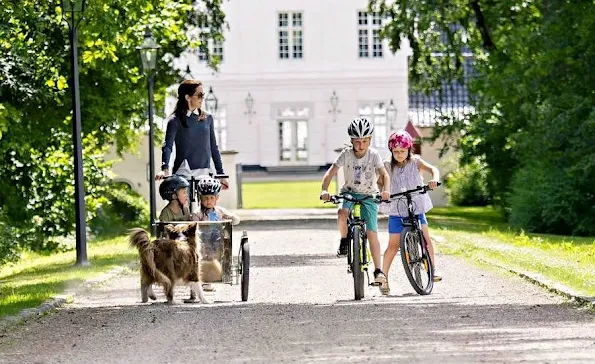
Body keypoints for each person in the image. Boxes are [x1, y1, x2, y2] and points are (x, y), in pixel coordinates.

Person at [320, 117, 391, 287]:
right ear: (351, 141)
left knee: (372, 233)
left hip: (369, 195)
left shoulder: (373, 155)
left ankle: (378, 271)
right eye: (357, 141)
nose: (361, 145)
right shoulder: (346, 154)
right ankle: (344, 240)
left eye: (365, 141)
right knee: (342, 213)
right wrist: (324, 189)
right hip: (349, 193)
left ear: (370, 140)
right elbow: (330, 173)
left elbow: (384, 175)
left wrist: (386, 190)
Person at [378, 130, 442, 295]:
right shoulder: (386, 165)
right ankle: (383, 277)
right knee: (392, 245)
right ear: (391, 151)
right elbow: (380, 182)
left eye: (402, 151)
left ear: (408, 150)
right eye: (396, 152)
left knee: (426, 239)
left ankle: (432, 269)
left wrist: (434, 179)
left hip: (416, 206)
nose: (399, 154)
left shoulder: (416, 162)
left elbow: (433, 169)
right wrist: (382, 191)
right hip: (397, 209)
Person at [155, 79, 228, 190]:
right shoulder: (175, 120)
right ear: (187, 97)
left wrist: (221, 173)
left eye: (203, 95)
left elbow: (214, 147)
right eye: (199, 95)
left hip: (205, 174)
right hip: (183, 174)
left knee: (208, 205)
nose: (202, 98)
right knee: (183, 205)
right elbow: (168, 145)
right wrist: (165, 169)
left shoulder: (207, 118)